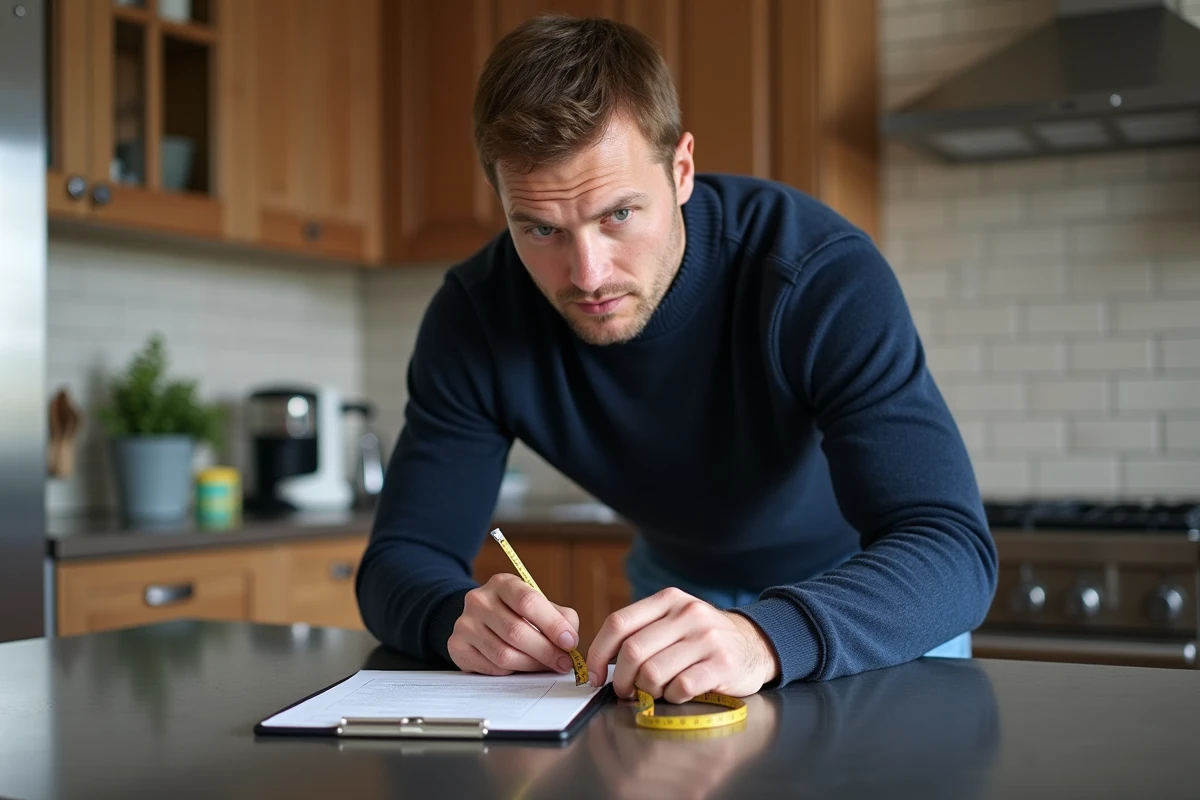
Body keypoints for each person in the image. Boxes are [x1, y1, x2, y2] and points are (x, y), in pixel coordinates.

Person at [355, 14, 997, 701]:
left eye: (618, 215)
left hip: (868, 597)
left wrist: (762, 636)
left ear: (681, 170)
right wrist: (453, 617)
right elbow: (401, 559)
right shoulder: (475, 318)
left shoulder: (818, 274)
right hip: (677, 598)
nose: (588, 275)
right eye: (540, 228)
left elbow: (950, 551)